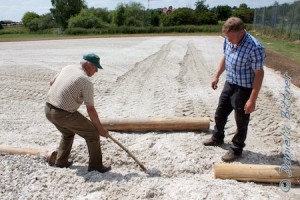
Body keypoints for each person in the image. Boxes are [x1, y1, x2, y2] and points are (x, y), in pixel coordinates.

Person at [203, 17, 265, 162]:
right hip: (230, 83)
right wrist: (216, 75)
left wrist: (252, 99)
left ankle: (236, 149)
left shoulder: (255, 47)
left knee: (241, 121)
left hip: (244, 88)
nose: (229, 41)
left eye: (231, 38)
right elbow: (225, 57)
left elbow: (259, 74)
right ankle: (217, 138)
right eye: (227, 38)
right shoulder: (229, 39)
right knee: (220, 113)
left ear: (241, 32)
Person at [45, 53, 111, 173]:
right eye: (95, 67)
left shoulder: (68, 68)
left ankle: (61, 161)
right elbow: (90, 110)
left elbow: (51, 82)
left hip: (48, 109)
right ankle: (96, 166)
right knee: (92, 134)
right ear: (87, 64)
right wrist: (100, 130)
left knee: (68, 133)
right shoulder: (85, 81)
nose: (96, 71)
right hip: (63, 114)